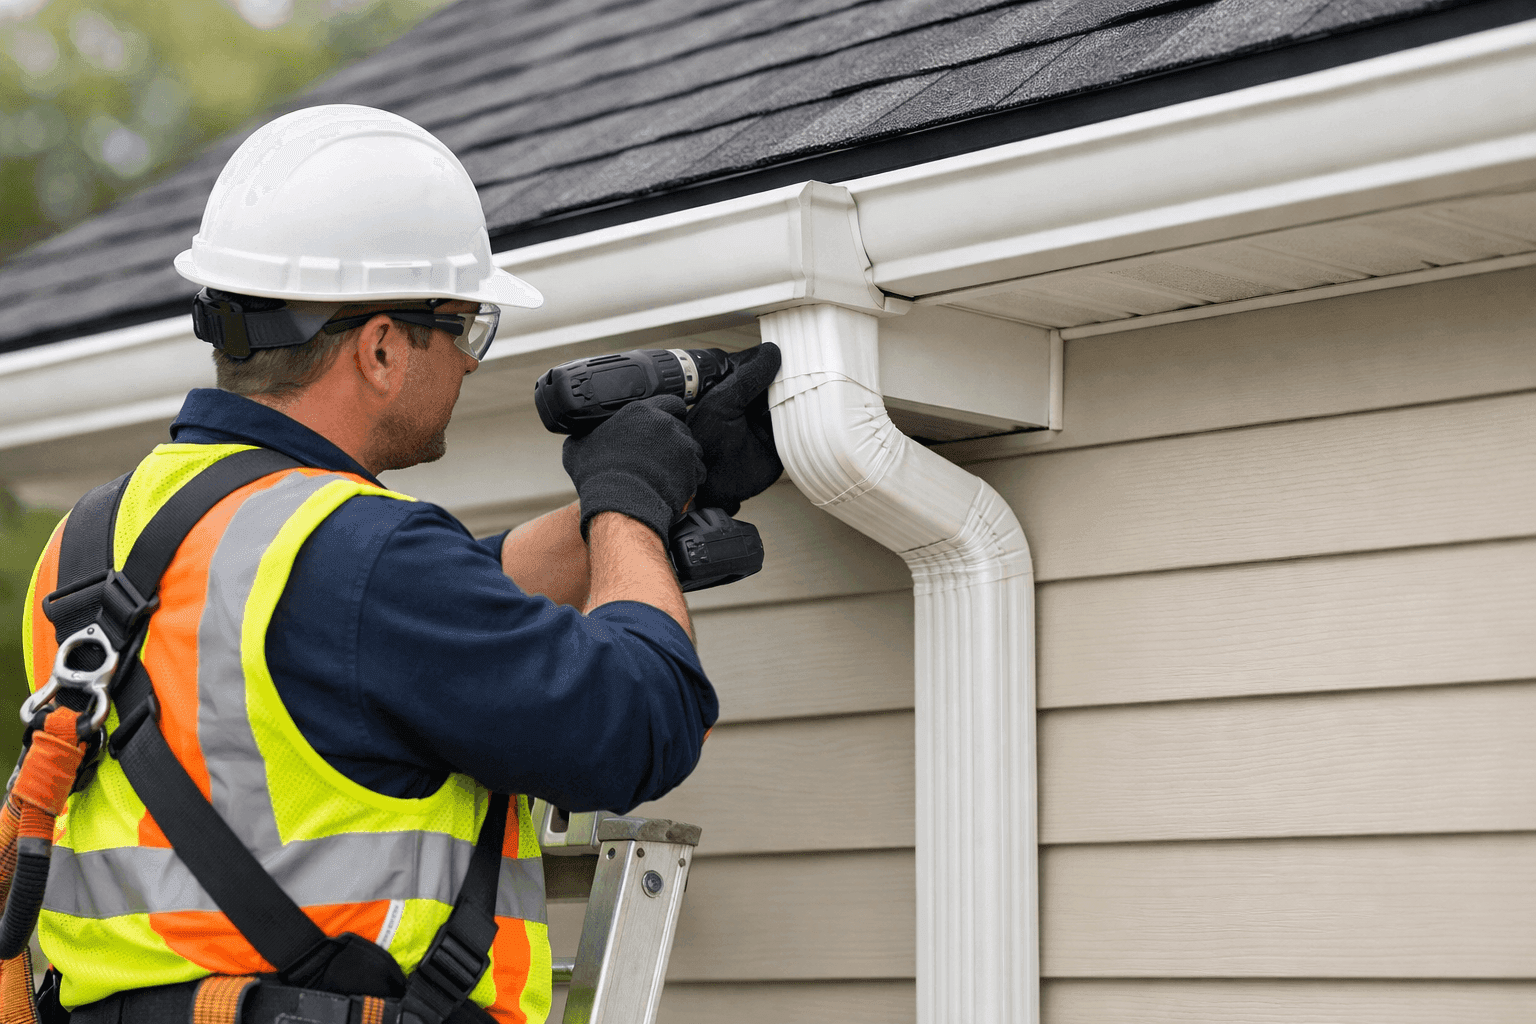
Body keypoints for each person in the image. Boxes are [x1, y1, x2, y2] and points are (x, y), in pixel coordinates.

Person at [17, 105, 782, 1024]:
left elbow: (409, 625)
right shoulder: (362, 555)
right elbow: (638, 726)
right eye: (462, 327)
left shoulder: (92, 541)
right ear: (381, 348)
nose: (466, 363)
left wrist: (641, 503)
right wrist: (625, 509)